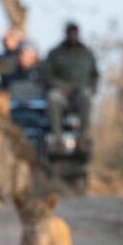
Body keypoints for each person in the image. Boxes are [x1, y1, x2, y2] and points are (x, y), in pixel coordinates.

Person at [43, 21, 99, 152]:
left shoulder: (86, 53)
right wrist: (62, 87)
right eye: (70, 32)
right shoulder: (55, 53)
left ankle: (82, 139)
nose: (73, 35)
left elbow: (95, 75)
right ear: (66, 33)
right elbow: (47, 75)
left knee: (86, 96)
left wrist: (92, 89)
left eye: (75, 33)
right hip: (62, 93)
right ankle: (58, 140)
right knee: (53, 97)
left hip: (80, 93)